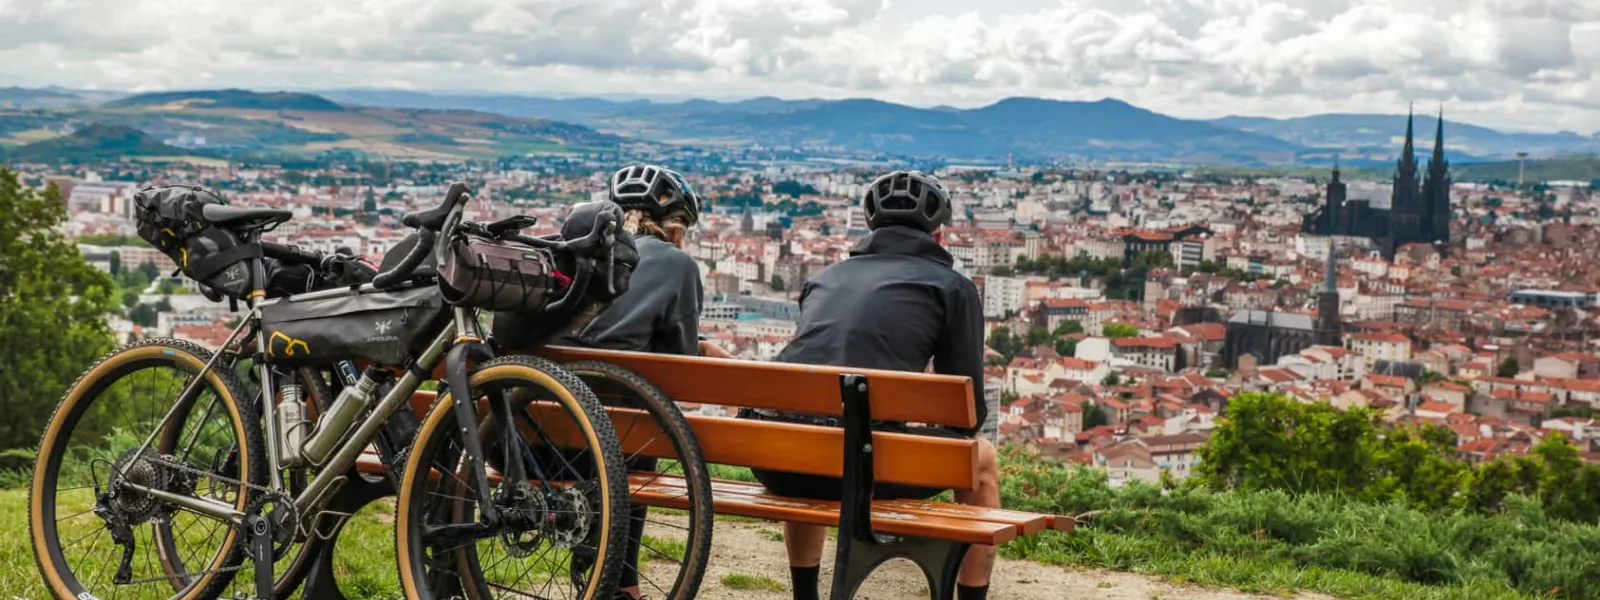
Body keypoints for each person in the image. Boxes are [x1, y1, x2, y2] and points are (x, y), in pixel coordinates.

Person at [740, 170, 998, 600]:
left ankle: (806, 595)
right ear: (939, 231)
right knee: (982, 461)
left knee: (809, 436)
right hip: (860, 470)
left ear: (870, 224)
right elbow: (967, 416)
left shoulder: (824, 278)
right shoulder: (953, 288)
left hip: (779, 462)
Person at [559, 163, 729, 600]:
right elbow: (680, 373)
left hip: (531, 440)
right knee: (638, 430)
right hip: (614, 448)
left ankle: (611, 573)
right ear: (675, 229)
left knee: (624, 426)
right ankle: (625, 585)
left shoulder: (571, 247)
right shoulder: (677, 265)